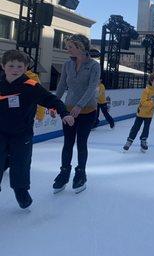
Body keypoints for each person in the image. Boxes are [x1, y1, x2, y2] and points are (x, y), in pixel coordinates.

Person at [0, 50, 73, 209]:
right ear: (3, 66)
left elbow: (51, 99)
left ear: (26, 67)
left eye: (20, 66)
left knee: (21, 163)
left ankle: (21, 190)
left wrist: (64, 113)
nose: (15, 69)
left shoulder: (31, 86)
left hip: (21, 134)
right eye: (11, 65)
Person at [53, 34, 100, 194]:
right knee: (67, 143)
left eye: (70, 47)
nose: (68, 50)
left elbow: (92, 87)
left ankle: (81, 173)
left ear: (80, 47)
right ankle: (64, 172)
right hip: (68, 110)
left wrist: (80, 106)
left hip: (87, 111)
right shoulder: (67, 64)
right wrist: (54, 103)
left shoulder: (94, 66)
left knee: (81, 143)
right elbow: (61, 85)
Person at [123, 73, 154, 152]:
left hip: (149, 114)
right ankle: (129, 141)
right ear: (151, 81)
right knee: (135, 128)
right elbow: (143, 102)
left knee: (146, 129)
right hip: (141, 113)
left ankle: (143, 141)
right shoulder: (146, 90)